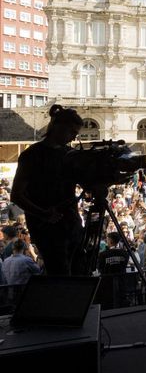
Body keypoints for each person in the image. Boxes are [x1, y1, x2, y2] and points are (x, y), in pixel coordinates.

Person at [10, 105, 84, 275]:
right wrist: (44, 214)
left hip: (71, 224)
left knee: (80, 271)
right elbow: (16, 195)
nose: (74, 136)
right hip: (47, 229)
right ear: (58, 127)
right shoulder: (32, 155)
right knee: (61, 275)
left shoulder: (69, 154)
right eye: (72, 131)